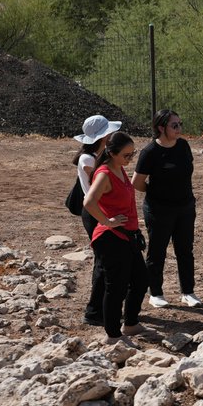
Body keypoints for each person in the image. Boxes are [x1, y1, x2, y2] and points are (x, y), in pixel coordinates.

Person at [82, 130, 149, 344]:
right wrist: (107, 221)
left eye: (132, 154)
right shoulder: (104, 173)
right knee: (116, 286)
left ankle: (130, 323)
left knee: (140, 280)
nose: (130, 159)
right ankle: (112, 335)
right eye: (126, 155)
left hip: (127, 235)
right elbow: (89, 202)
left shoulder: (119, 169)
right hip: (110, 238)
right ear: (111, 153)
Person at [133, 109, 200, 309]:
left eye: (180, 124)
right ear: (161, 128)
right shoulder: (150, 152)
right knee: (157, 250)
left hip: (185, 206)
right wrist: (156, 193)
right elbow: (137, 182)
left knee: (185, 250)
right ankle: (156, 292)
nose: (179, 128)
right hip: (159, 209)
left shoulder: (184, 146)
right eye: (174, 125)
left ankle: (188, 291)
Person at [75, 114, 121, 327]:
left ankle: (104, 307)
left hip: (103, 211)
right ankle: (95, 311)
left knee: (106, 262)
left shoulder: (100, 155)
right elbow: (102, 181)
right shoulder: (89, 159)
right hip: (95, 213)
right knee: (104, 262)